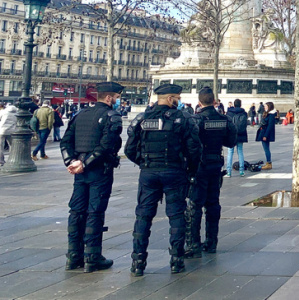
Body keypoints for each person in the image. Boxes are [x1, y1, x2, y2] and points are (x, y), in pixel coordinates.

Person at [125, 84, 202, 276]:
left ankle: (138, 262)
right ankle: (176, 260)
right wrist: (190, 171)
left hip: (149, 173)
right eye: (177, 97)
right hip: (174, 172)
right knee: (176, 216)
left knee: (143, 216)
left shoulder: (142, 118)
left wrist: (144, 162)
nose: (179, 101)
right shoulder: (182, 118)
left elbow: (129, 149)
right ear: (170, 99)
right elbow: (194, 148)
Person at [60, 82, 125, 272]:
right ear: (108, 98)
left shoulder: (80, 115)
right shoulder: (112, 117)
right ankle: (92, 257)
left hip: (79, 171)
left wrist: (72, 162)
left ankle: (73, 256)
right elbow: (106, 146)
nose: (118, 100)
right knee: (95, 212)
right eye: (117, 97)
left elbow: (66, 141)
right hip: (99, 171)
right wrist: (85, 163)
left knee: (77, 211)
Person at [185, 87, 237, 258]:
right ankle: (212, 242)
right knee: (213, 203)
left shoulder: (195, 120)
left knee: (195, 204)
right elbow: (231, 142)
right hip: (216, 164)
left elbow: (189, 145)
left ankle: (193, 243)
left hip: (199, 166)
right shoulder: (224, 119)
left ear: (199, 102)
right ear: (214, 102)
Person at [226, 99, 247, 177]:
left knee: (230, 152)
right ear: (240, 104)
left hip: (232, 134)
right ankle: (241, 171)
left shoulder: (229, 113)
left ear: (234, 105)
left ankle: (229, 171)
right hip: (241, 134)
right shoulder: (244, 113)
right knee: (240, 151)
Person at [258, 102, 278, 169]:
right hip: (263, 132)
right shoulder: (267, 113)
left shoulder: (271, 115)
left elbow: (270, 126)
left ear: (269, 107)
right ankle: (268, 162)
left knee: (266, 149)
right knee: (266, 148)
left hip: (265, 133)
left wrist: (265, 135)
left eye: (265, 106)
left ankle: (269, 163)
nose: (264, 107)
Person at [0, 102, 16, 166]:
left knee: (1, 147)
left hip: (2, 131)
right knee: (12, 146)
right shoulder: (16, 113)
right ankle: (11, 159)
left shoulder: (3, 112)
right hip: (12, 131)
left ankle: (1, 161)